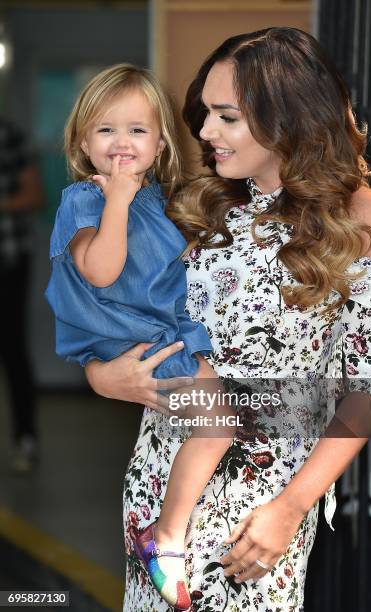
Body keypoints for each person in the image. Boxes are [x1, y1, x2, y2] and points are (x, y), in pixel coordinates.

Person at [85, 28, 371, 611]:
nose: (205, 133)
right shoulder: (199, 203)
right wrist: (104, 378)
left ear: (289, 118)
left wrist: (290, 508)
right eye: (205, 114)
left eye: (226, 116)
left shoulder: (361, 216)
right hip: (159, 483)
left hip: (263, 503)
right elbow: (119, 321)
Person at [45, 63, 236, 610]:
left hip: (161, 331)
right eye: (105, 130)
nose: (122, 143)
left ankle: (169, 531)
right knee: (219, 419)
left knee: (217, 420)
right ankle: (167, 535)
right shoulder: (88, 199)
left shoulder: (159, 200)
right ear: (83, 141)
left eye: (137, 130)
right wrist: (118, 201)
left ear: (159, 142)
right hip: (131, 337)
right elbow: (101, 271)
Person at [0, 116, 43, 474]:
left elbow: (34, 194)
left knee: (12, 349)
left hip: (8, 260)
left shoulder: (8, 132)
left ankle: (26, 439)